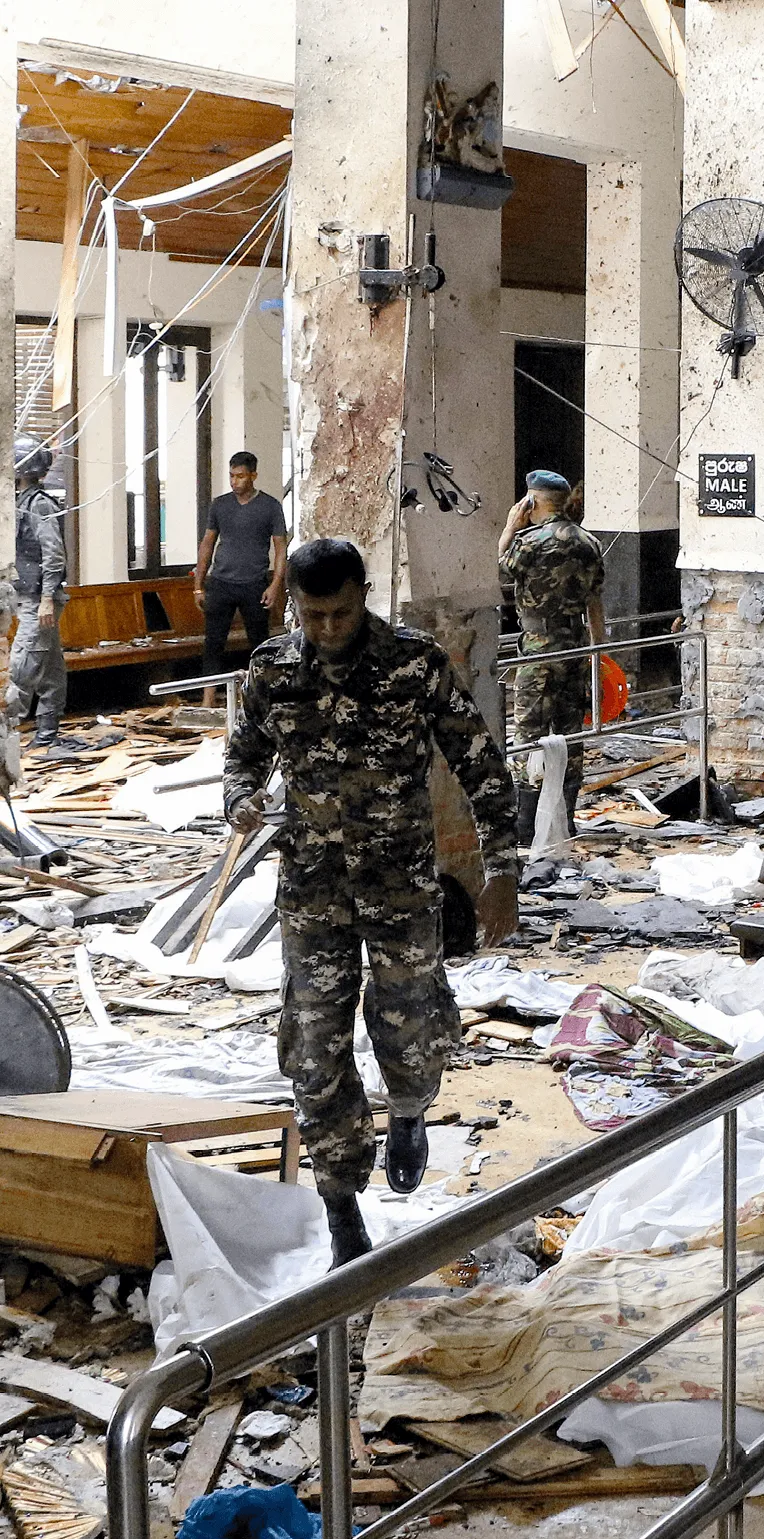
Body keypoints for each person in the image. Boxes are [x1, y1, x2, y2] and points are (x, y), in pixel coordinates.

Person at [224, 538, 518, 1267]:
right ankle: (340, 1209)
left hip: (400, 886)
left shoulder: (414, 664)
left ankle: (411, 1110)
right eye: (313, 614)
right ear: (293, 603)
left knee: (411, 1031)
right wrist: (239, 800)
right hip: (313, 891)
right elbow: (243, 754)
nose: (329, 628)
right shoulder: (270, 671)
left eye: (343, 612)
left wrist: (502, 873)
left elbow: (481, 764)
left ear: (365, 595)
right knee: (315, 1051)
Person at [498, 471, 604, 841]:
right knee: (569, 732)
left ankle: (526, 825)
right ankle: (566, 819)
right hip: (575, 645)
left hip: (538, 648)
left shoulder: (528, 542)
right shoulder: (589, 542)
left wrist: (512, 526)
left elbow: (502, 564)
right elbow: (595, 602)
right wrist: (599, 651)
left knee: (529, 734)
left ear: (532, 503)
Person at [194, 452, 288, 707]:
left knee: (260, 645)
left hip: (254, 585)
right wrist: (198, 586)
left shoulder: (270, 507)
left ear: (253, 476)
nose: (235, 481)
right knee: (213, 643)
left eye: (241, 476)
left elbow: (280, 548)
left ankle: (261, 700)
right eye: (232, 476)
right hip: (221, 582)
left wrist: (275, 585)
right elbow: (207, 544)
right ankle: (208, 701)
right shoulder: (220, 505)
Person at [11, 438, 70, 751]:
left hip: (40, 601)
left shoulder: (40, 503)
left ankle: (6, 736)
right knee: (50, 670)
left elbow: (53, 554)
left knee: (20, 669)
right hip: (30, 598)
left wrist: (47, 598)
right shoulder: (23, 501)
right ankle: (47, 735)